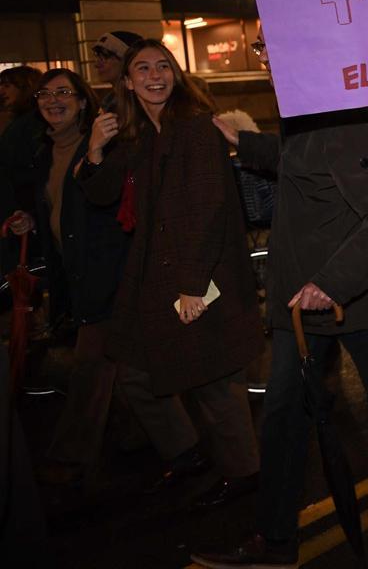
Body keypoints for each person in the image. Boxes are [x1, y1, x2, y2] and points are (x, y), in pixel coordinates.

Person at [191, 31, 368, 568]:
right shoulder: (307, 106)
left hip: (349, 299)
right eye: (260, 47)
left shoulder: (348, 116)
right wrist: (245, 142)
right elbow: (302, 161)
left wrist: (334, 283)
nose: (266, 56)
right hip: (299, 305)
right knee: (283, 418)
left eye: (274, 42)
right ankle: (276, 539)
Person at [78, 39, 263, 509]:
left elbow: (209, 208)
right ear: (126, 81)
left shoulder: (194, 127)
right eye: (143, 68)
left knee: (213, 379)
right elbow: (100, 194)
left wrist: (192, 285)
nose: (155, 75)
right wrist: (96, 149)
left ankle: (246, 475)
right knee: (135, 372)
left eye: (164, 66)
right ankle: (186, 454)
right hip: (152, 272)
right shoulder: (138, 132)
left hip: (198, 272)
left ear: (177, 76)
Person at [7, 70, 130, 487]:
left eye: (65, 92)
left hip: (108, 272)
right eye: (46, 93)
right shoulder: (45, 154)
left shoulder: (97, 147)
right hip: (76, 274)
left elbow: (110, 209)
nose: (53, 100)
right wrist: (32, 222)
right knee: (137, 375)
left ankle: (70, 459)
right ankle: (178, 447)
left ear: (82, 102)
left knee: (90, 366)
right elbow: (58, 211)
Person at [1, 65, 45, 273]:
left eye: (8, 85)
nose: (3, 91)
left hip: (23, 209)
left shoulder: (31, 123)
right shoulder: (18, 121)